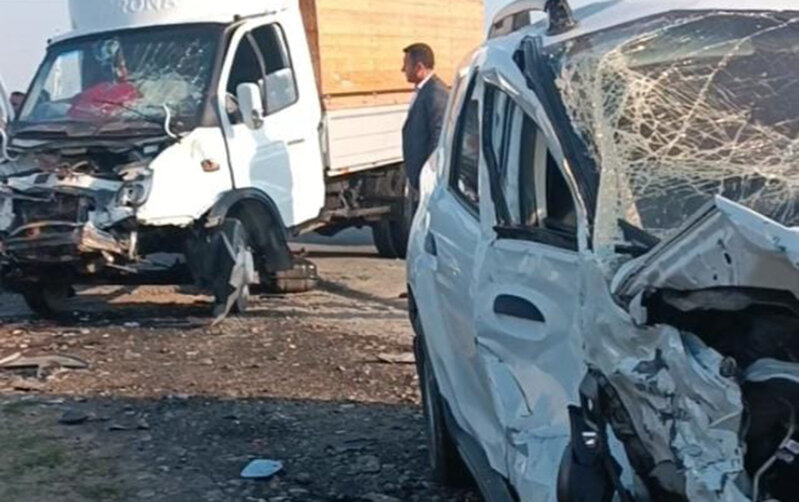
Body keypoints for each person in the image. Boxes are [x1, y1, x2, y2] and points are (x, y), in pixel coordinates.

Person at [401, 43, 448, 193]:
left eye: (406, 64)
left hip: (427, 181)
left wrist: (428, 177)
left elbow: (438, 137)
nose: (403, 69)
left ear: (419, 67)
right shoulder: (424, 91)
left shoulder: (435, 93)